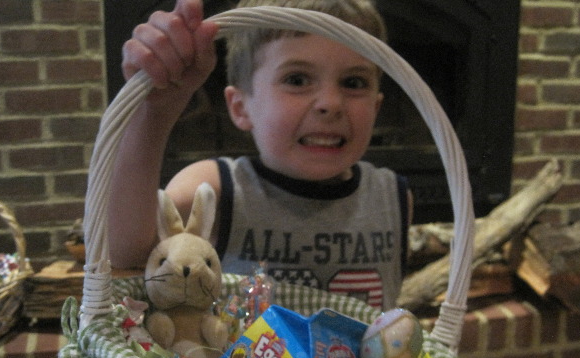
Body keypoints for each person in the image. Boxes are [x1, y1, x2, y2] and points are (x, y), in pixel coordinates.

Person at [108, 0, 413, 310]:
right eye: (297, 80)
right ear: (240, 107)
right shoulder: (213, 189)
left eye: (353, 83)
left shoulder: (392, 197)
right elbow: (125, 255)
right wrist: (155, 112)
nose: (330, 103)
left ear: (376, 107)